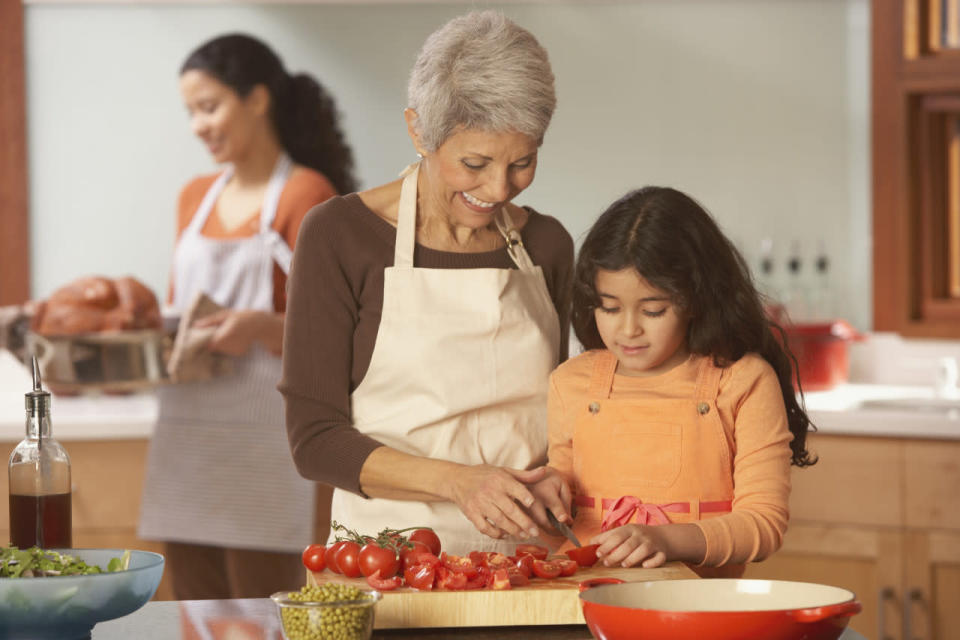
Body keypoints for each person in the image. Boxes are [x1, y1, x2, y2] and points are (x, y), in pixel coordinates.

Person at [279, 10, 574, 555]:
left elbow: (568, 413)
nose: (499, 188)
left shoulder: (549, 245)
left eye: (523, 162)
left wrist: (562, 468)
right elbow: (315, 441)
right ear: (419, 130)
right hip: (388, 560)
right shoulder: (339, 236)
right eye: (475, 162)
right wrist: (460, 481)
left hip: (529, 563)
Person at [139, 33, 358, 599]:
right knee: (192, 607)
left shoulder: (305, 194)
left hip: (268, 444)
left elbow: (340, 332)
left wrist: (259, 328)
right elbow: (178, 315)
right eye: (190, 112)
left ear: (257, 99)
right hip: (187, 438)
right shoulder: (193, 198)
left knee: (264, 609)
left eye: (209, 107)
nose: (198, 125)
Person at [535, 187, 816, 578]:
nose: (628, 329)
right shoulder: (573, 382)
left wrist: (666, 540)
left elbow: (762, 525)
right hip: (585, 598)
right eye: (609, 307)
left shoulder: (742, 382)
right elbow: (562, 497)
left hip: (699, 606)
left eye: (653, 310)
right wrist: (546, 498)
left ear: (696, 298)